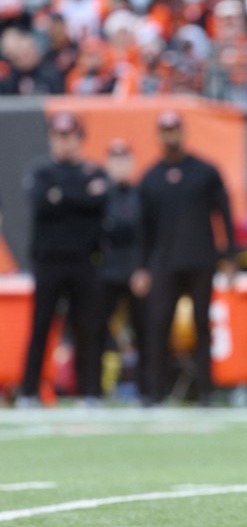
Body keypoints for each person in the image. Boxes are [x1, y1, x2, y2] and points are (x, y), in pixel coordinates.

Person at [132, 110, 237, 406]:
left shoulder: (205, 171)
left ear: (182, 132)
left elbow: (224, 214)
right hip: (164, 263)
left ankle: (206, 391)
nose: (170, 135)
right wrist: (141, 267)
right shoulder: (150, 178)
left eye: (174, 129)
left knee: (202, 325)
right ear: (158, 135)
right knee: (158, 324)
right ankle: (155, 392)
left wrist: (229, 256)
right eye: (165, 130)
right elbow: (144, 229)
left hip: (201, 260)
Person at [17, 112, 108, 407]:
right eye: (58, 137)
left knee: (88, 329)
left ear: (79, 139)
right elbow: (43, 202)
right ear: (51, 139)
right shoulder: (41, 171)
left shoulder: (93, 172)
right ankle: (29, 392)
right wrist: (80, 197)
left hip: (84, 260)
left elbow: (99, 201)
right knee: (40, 327)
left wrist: (63, 197)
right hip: (49, 261)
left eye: (69, 137)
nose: (64, 143)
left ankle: (90, 393)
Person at [95, 139, 146, 401]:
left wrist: (142, 268)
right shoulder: (99, 194)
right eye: (115, 159)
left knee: (143, 330)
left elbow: (146, 235)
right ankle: (97, 388)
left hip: (135, 271)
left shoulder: (141, 194)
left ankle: (146, 389)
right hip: (105, 271)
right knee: (98, 331)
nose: (120, 165)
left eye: (124, 159)